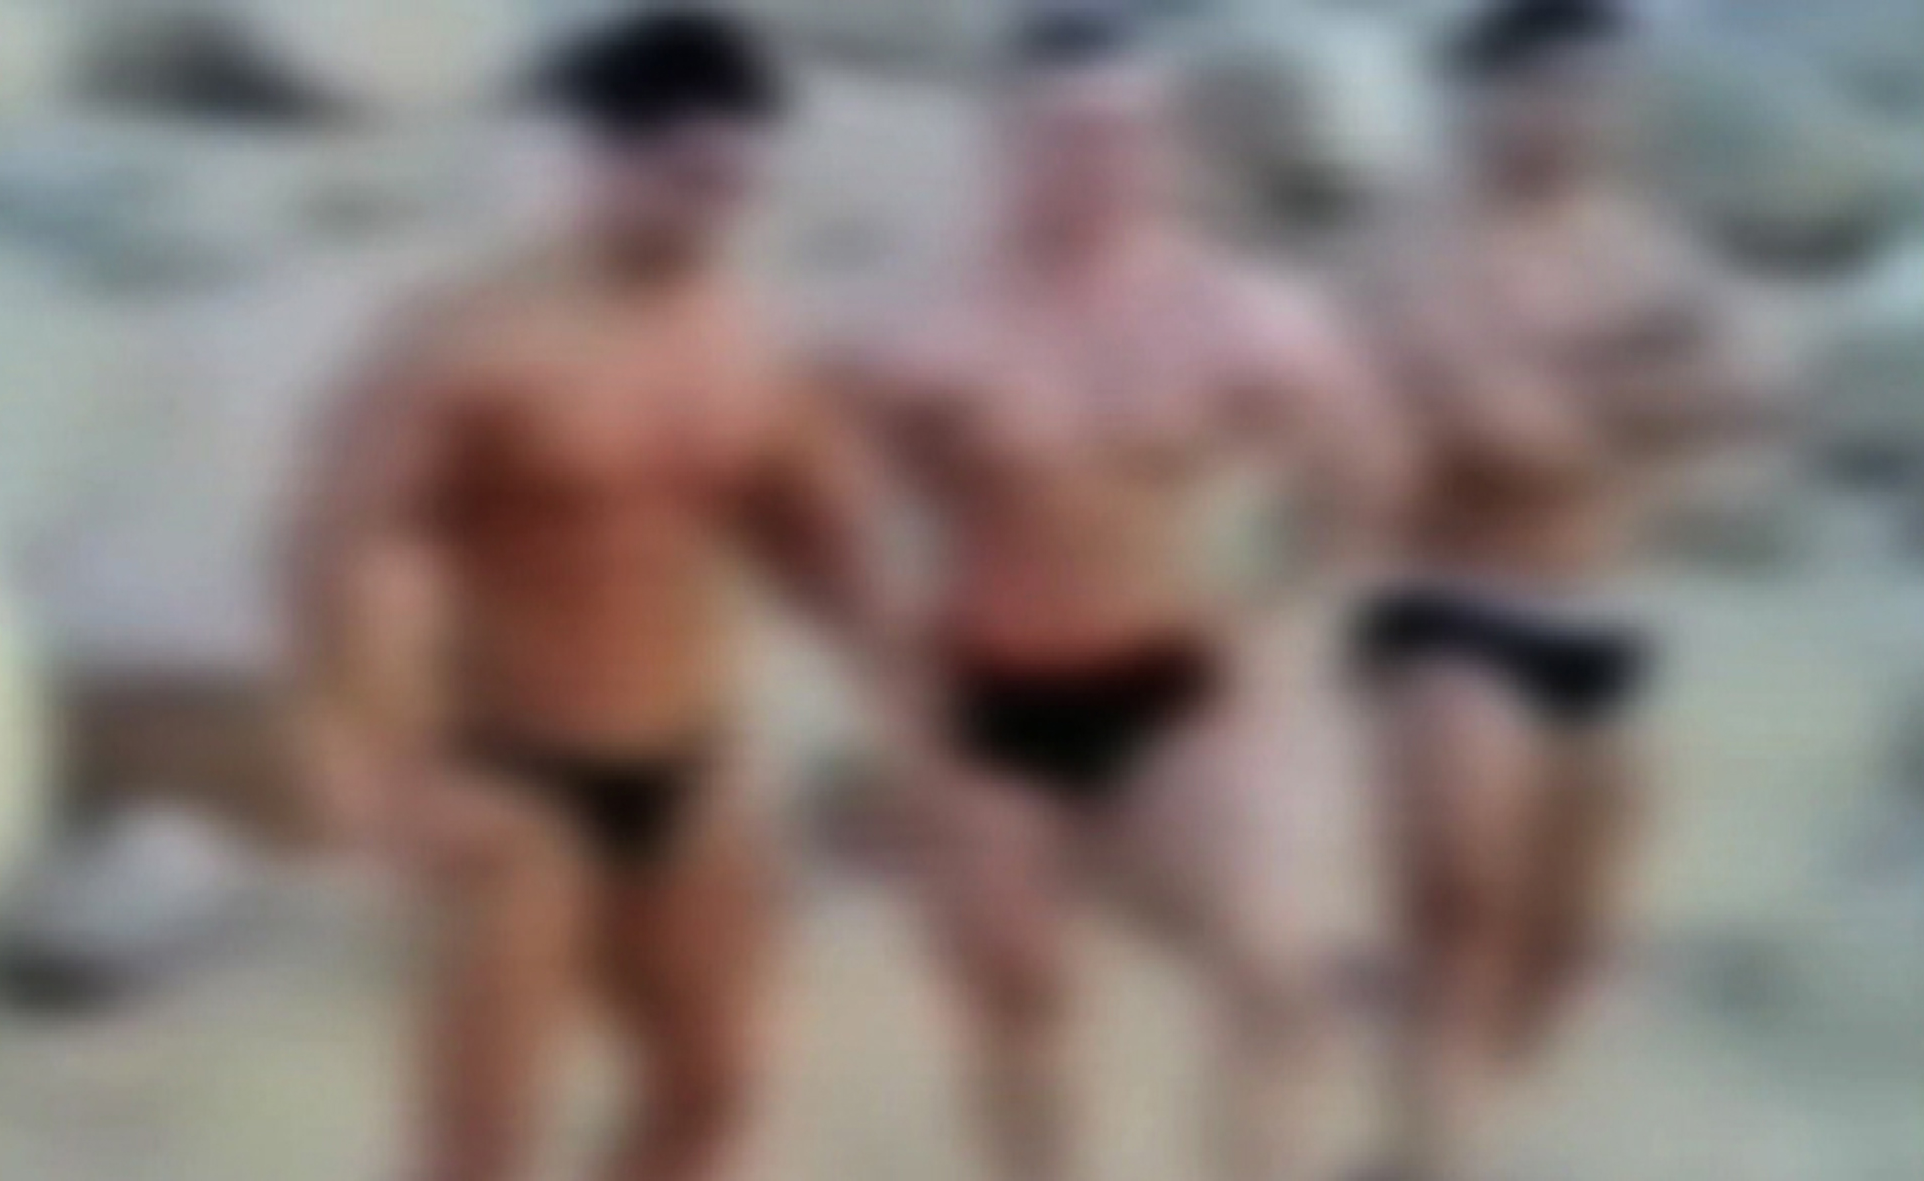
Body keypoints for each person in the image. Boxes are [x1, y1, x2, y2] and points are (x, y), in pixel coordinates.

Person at [286, 11, 885, 1181]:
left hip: (691, 764)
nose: (720, 211)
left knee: (709, 1091)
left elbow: (816, 546)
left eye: (738, 183)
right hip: (518, 783)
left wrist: (914, 709)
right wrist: (365, 767)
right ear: (607, 161)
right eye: (691, 180)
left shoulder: (756, 340)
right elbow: (331, 540)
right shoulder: (472, 337)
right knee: (480, 1149)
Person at [832, 11, 1407, 1181]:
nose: (1106, 163)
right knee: (1018, 999)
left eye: (1133, 135)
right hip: (986, 697)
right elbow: (832, 516)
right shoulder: (929, 322)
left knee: (1272, 973)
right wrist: (896, 694)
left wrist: (1278, 611)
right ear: (1007, 142)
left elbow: (1365, 470)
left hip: (1165, 684)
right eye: (1070, 135)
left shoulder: (1234, 309)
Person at [1352, 2, 1788, 1177]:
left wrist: (1578, 382)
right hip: (1452, 602)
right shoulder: (1425, 244)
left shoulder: (1645, 239)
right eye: (1552, 90)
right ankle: (1438, 1143)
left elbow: (1754, 385)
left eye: (1600, 91)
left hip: (1601, 615)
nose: (1580, 116)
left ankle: (1424, 1141)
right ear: (1496, 97)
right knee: (1459, 904)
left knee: (1570, 945)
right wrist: (1642, 379)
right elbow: (1510, 439)